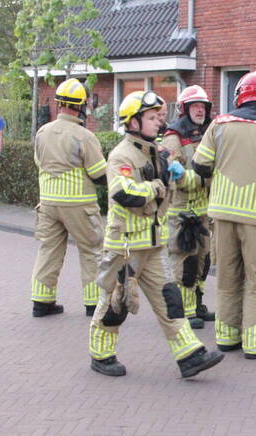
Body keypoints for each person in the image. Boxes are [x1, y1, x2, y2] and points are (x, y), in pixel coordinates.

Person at [88, 90, 224, 379]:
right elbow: (123, 193)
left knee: (170, 299)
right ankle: (101, 354)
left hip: (153, 243)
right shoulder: (121, 155)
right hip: (125, 245)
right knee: (116, 302)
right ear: (133, 122)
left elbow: (170, 188)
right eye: (151, 118)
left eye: (159, 117)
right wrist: (155, 187)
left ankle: (189, 354)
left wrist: (174, 175)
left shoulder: (156, 151)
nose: (158, 122)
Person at [192, 71, 256, 359]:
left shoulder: (219, 125)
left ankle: (227, 337)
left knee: (227, 276)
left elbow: (200, 165)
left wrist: (221, 180)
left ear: (239, 95)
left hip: (222, 214)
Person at [30, 78, 107, 317]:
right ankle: (94, 305)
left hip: (48, 203)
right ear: (81, 106)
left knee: (48, 250)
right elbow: (98, 174)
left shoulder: (42, 132)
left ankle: (41, 302)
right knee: (92, 251)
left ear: (59, 104)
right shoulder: (84, 136)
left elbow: (38, 163)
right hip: (78, 205)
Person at [161, 85, 215, 329]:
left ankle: (198, 304)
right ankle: (184, 310)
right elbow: (176, 177)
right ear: (184, 108)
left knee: (204, 260)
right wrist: (201, 179)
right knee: (185, 262)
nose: (200, 110)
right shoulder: (173, 137)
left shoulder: (208, 133)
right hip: (182, 213)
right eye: (195, 106)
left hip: (204, 211)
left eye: (203, 106)